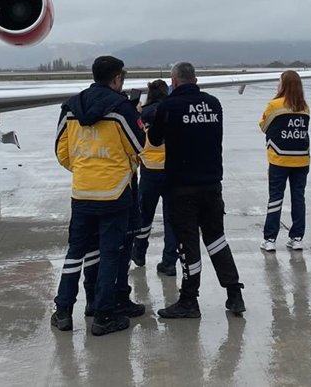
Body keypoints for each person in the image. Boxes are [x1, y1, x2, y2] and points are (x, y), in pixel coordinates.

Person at [51, 55, 146, 336]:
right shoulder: (121, 109)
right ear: (116, 79)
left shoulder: (70, 107)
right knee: (109, 254)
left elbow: (61, 151)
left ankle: (63, 312)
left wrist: (82, 168)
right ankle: (104, 315)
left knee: (75, 252)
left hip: (82, 191)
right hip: (115, 193)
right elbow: (138, 146)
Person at [150, 62, 245, 318]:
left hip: (182, 188)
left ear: (175, 81)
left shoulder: (168, 106)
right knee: (216, 240)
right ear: (195, 78)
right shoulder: (214, 104)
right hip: (212, 185)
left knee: (188, 246)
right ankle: (234, 293)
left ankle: (189, 300)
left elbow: (155, 139)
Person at [258, 70, 311, 252]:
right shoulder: (305, 107)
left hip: (279, 159)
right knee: (298, 198)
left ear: (284, 84)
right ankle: (297, 238)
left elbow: (263, 126)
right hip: (301, 160)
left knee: (275, 198)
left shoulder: (274, 105)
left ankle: (270, 238)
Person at [132, 79, 179, 276]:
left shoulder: (142, 114)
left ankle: (139, 252)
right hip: (172, 170)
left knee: (144, 216)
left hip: (150, 170)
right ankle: (169, 261)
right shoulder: (173, 111)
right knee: (172, 219)